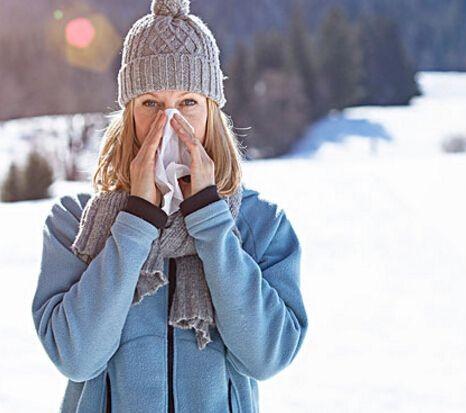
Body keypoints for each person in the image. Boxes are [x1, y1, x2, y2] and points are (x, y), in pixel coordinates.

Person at [30, 0, 308, 412]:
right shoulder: (75, 225)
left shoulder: (260, 225)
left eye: (188, 103)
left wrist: (211, 222)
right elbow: (77, 357)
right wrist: (136, 220)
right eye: (151, 104)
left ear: (213, 112)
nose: (169, 122)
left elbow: (267, 356)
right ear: (128, 114)